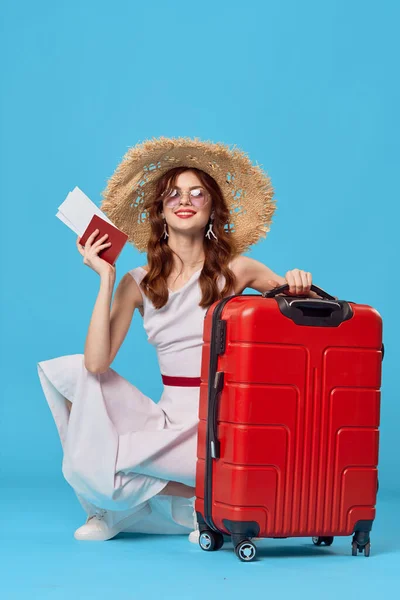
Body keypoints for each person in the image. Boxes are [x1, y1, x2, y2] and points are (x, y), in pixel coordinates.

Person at [37, 136, 314, 543]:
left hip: (219, 417)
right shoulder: (136, 282)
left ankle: (203, 500)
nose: (184, 200)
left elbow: (302, 318)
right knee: (73, 383)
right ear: (161, 212)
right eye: (173, 194)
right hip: (165, 416)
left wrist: (296, 284)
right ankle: (182, 502)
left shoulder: (240, 270)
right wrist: (107, 278)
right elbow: (96, 363)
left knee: (119, 465)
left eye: (197, 192)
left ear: (212, 209)